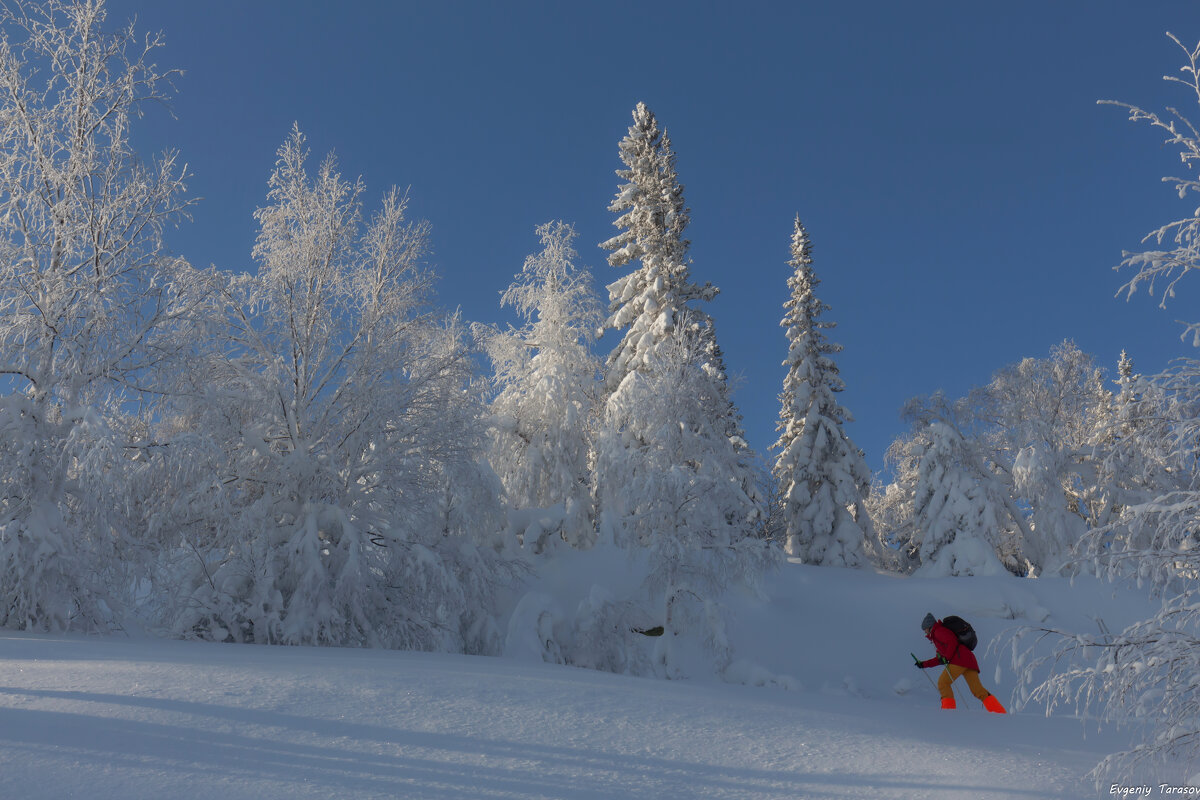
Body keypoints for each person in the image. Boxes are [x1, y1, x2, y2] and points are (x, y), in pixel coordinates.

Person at [915, 612, 1006, 713]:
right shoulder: (938, 635)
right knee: (977, 690)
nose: (925, 632)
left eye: (925, 630)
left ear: (929, 626)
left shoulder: (938, 631)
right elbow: (940, 658)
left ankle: (948, 712)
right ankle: (999, 712)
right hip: (969, 660)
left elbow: (952, 641)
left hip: (959, 660)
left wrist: (947, 657)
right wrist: (923, 664)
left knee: (943, 683)